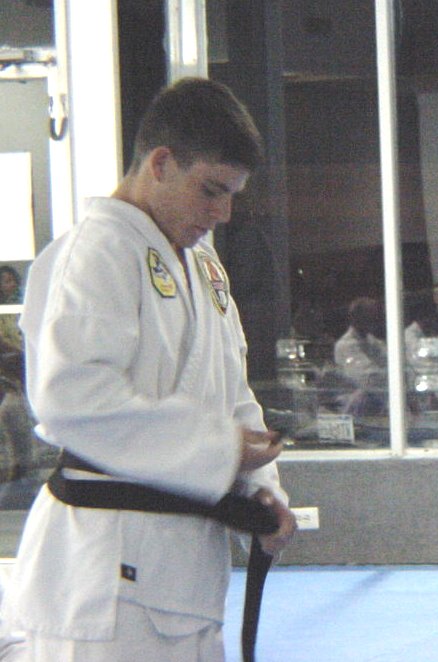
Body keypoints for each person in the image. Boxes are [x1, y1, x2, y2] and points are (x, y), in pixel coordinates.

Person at [1, 77, 297, 661]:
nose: (222, 213)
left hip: (182, 577)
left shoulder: (202, 265)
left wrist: (262, 492)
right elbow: (71, 400)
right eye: (211, 190)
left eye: (232, 195)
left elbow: (232, 393)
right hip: (103, 573)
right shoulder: (95, 252)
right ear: (161, 163)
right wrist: (221, 450)